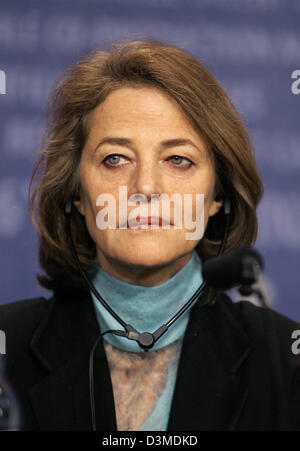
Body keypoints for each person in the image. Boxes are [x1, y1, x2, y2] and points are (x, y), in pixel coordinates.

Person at [0, 39, 299, 431]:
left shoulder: (285, 362)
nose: (144, 186)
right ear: (76, 193)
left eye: (178, 159)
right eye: (115, 158)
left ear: (217, 196)